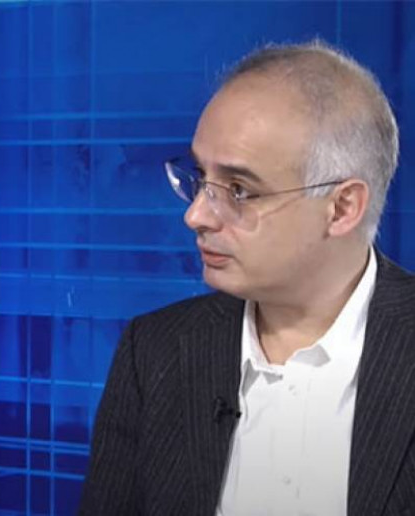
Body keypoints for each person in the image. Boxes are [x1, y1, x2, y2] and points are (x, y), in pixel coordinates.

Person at [80, 40, 413, 515]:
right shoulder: (153, 351)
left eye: (239, 190)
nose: (196, 215)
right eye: (200, 177)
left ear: (342, 208)